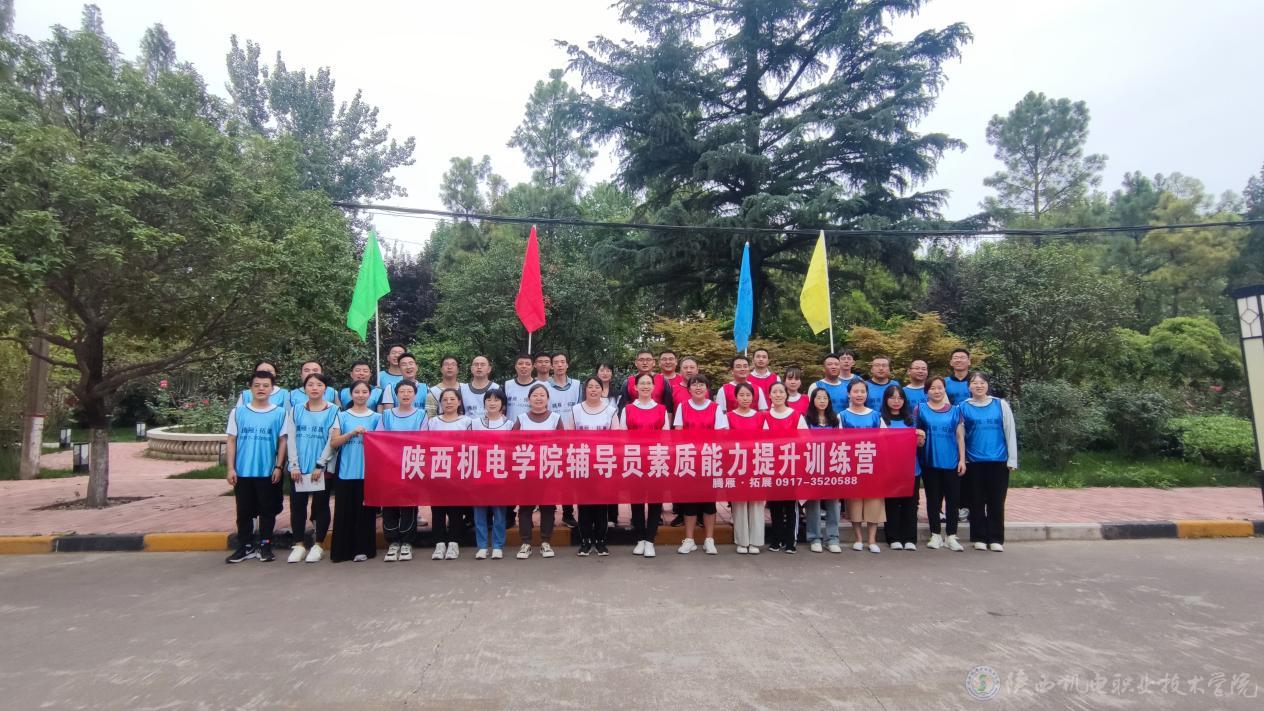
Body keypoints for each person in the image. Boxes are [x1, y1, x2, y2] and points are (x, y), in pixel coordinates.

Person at [225, 370, 289, 563]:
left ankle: (265, 545)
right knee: (243, 511)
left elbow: (283, 441)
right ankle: (245, 546)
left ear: (272, 388)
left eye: (265, 385)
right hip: (243, 471)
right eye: (257, 385)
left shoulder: (280, 413)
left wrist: (278, 466)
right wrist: (230, 468)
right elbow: (231, 440)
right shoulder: (238, 412)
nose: (261, 389)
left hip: (267, 471)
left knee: (267, 510)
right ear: (250, 388)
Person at [283, 372, 337, 564]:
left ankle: (318, 544)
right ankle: (298, 544)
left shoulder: (334, 411)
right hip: (299, 469)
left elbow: (332, 440)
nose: (315, 388)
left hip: (321, 469)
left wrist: (320, 465)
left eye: (319, 385)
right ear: (304, 388)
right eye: (311, 384)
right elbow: (291, 438)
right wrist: (294, 465)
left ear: (325, 389)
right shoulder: (296, 410)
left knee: (321, 506)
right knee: (297, 506)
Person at [960, 372, 1018, 552]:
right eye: (974, 383)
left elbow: (1010, 431)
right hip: (973, 462)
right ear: (969, 387)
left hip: (998, 461)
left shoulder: (1000, 404)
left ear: (987, 385)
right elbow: (960, 436)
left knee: (996, 501)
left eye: (982, 382)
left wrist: (1012, 459)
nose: (978, 385)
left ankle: (995, 538)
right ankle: (978, 537)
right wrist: (962, 460)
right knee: (976, 501)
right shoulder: (963, 407)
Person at [328, 381, 382, 562]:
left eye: (364, 392)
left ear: (370, 395)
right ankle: (342, 551)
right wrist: (351, 433)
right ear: (351, 394)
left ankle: (363, 549)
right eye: (357, 392)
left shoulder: (377, 417)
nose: (360, 395)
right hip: (346, 471)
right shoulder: (342, 416)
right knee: (344, 512)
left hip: (368, 473)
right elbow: (334, 442)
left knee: (366, 514)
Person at [672, 373, 725, 555]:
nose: (698, 387)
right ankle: (689, 540)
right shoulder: (683, 406)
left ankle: (709, 540)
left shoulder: (715, 408)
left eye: (701, 384)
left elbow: (720, 435)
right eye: (694, 384)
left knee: (709, 503)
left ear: (707, 388)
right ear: (689, 389)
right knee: (690, 503)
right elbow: (678, 433)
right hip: (689, 461)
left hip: (710, 460)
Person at [512, 384, 564, 559]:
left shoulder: (555, 418)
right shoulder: (521, 419)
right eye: (535, 395)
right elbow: (512, 444)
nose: (539, 398)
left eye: (542, 395)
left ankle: (545, 542)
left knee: (547, 506)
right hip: (526, 470)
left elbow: (562, 444)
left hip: (548, 469)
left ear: (548, 399)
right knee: (525, 507)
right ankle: (526, 542)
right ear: (529, 399)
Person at [570, 376, 621, 557]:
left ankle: (600, 541)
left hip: (603, 463)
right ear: (585, 390)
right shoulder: (576, 410)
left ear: (602, 390)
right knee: (584, 505)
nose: (593, 390)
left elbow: (617, 439)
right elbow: (569, 437)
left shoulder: (611, 411)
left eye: (596, 387)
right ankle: (585, 541)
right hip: (582, 462)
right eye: (590, 386)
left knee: (601, 505)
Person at [376, 379, 426, 563]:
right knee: (389, 504)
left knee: (409, 504)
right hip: (390, 466)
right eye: (402, 391)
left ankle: (407, 541)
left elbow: (424, 439)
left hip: (411, 465)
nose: (406, 394)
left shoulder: (421, 415)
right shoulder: (386, 415)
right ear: (396, 395)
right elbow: (379, 438)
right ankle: (393, 541)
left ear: (415, 395)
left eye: (409, 391)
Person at [622, 372, 670, 558]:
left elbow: (666, 437)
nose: (645, 386)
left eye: (649, 383)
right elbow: (623, 437)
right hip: (635, 461)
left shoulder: (661, 409)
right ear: (635, 387)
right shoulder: (628, 409)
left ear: (654, 387)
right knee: (637, 501)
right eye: (642, 383)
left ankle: (650, 540)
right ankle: (640, 538)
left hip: (656, 460)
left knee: (655, 501)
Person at [917, 377, 966, 552]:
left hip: (951, 462)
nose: (937, 391)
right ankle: (935, 534)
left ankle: (951, 536)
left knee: (953, 500)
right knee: (933, 500)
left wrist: (962, 460)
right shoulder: (920, 409)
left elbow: (960, 437)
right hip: (929, 461)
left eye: (940, 388)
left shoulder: (956, 411)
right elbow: (916, 434)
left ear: (945, 390)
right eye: (933, 388)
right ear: (927, 391)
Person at [423, 388, 472, 560]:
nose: (449, 402)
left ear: (459, 402)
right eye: (445, 399)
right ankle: (439, 543)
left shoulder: (467, 421)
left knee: (455, 508)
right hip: (437, 470)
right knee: (437, 508)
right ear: (440, 403)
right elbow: (426, 444)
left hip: (458, 470)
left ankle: (453, 542)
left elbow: (472, 445)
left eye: (452, 399)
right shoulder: (433, 422)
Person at [840, 379, 885, 554]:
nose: (859, 395)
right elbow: (839, 441)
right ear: (849, 394)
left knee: (874, 502)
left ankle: (872, 539)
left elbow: (884, 439)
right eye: (855, 391)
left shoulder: (876, 415)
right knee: (855, 503)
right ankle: (858, 538)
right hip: (852, 464)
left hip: (873, 464)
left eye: (862, 391)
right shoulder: (842, 416)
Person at [764, 381, 807, 553]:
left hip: (791, 466)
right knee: (775, 505)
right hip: (772, 466)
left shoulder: (796, 415)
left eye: (781, 392)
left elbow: (805, 441)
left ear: (786, 394)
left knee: (790, 506)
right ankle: (776, 539)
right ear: (769, 395)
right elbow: (763, 442)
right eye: (774, 392)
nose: (778, 395)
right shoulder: (765, 416)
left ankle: (790, 541)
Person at [881, 385, 924, 551]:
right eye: (892, 397)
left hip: (911, 468)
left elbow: (920, 443)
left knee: (911, 503)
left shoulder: (911, 420)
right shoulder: (880, 419)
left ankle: (910, 538)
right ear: (886, 400)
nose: (896, 401)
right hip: (889, 468)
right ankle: (893, 537)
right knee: (891, 503)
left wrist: (920, 439)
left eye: (900, 398)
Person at [471, 389, 512, 560]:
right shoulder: (475, 423)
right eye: (488, 400)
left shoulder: (509, 424)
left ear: (503, 404)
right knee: (479, 512)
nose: (492, 403)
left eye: (496, 400)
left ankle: (497, 545)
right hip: (479, 473)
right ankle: (481, 546)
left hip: (500, 474)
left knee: (499, 513)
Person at [726, 382, 766, 554]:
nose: (745, 398)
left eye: (748, 395)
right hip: (737, 463)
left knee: (756, 502)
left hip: (757, 462)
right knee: (739, 503)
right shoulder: (728, 416)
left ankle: (755, 541)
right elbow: (725, 440)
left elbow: (767, 440)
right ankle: (742, 541)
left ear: (753, 397)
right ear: (736, 397)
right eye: (741, 395)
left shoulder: (760, 417)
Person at [803, 387, 842, 553]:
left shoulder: (835, 419)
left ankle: (832, 538)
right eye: (818, 398)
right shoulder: (806, 419)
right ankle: (815, 537)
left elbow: (841, 440)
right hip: (812, 465)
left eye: (825, 398)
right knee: (814, 502)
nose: (822, 401)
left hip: (832, 464)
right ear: (812, 400)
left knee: (833, 502)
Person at [547, 352, 584, 528]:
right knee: (550, 475)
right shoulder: (544, 386)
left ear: (567, 365)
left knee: (569, 477)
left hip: (571, 438)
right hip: (551, 437)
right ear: (551, 366)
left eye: (563, 362)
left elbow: (580, 409)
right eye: (556, 362)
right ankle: (549, 509)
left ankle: (568, 514)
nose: (560, 365)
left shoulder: (577, 385)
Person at [945, 348, 975, 522]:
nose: (959, 360)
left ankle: (970, 506)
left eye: (962, 357)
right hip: (952, 431)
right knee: (954, 468)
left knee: (973, 470)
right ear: (951, 362)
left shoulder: (977, 381)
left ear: (969, 361)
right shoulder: (945, 383)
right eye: (955, 357)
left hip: (974, 431)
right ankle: (954, 507)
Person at [595, 361, 623, 528]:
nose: (605, 373)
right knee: (596, 481)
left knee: (612, 481)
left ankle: (612, 516)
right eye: (602, 370)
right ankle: (597, 516)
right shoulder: (591, 392)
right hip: (593, 444)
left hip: (612, 443)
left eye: (608, 370)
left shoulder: (617, 394)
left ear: (612, 373)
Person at [460, 355, 500, 421]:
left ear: (489, 369)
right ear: (471, 369)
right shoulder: (462, 389)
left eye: (482, 365)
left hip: (491, 426)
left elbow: (501, 412)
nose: (479, 367)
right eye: (476, 365)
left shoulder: (496, 388)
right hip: (468, 426)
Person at [503, 353, 540, 421]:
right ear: (515, 366)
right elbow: (501, 409)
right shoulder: (507, 385)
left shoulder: (540, 386)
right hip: (511, 426)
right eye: (520, 363)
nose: (524, 366)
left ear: (532, 367)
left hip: (531, 426)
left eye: (527, 364)